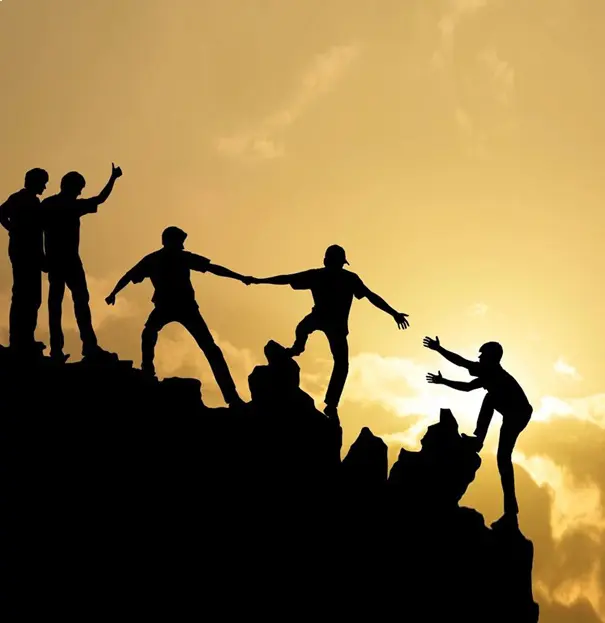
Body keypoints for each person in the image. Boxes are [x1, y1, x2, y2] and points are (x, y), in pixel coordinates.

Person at [250, 245, 409, 418]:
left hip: (326, 321)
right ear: (340, 263)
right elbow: (371, 296)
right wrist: (394, 313)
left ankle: (299, 351)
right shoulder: (343, 278)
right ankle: (330, 402)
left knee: (306, 332)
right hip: (331, 323)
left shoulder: (324, 276)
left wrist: (258, 280)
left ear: (326, 260)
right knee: (338, 361)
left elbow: (287, 279)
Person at [105, 226, 249, 407]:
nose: (181, 245)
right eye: (180, 242)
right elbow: (129, 276)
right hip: (171, 306)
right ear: (171, 241)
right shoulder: (165, 258)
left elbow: (212, 268)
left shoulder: (162, 258)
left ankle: (232, 397)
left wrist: (240, 277)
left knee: (207, 348)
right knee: (150, 334)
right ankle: (148, 371)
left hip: (184, 307)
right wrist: (113, 292)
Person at [423, 335, 533, 529]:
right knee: (489, 398)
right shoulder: (489, 375)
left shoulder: (492, 372)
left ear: (490, 358)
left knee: (503, 458)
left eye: (482, 356)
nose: (479, 358)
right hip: (514, 413)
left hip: (518, 415)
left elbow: (461, 362)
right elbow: (466, 387)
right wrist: (443, 381)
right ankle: (478, 439)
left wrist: (439, 349)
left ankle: (511, 513)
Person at [41, 164, 122, 363]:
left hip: (56, 260)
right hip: (67, 261)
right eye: (79, 188)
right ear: (71, 186)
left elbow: (36, 231)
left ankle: (59, 349)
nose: (80, 192)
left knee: (58, 304)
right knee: (75, 303)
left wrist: (42, 257)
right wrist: (113, 179)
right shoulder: (70, 205)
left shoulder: (48, 204)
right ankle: (86, 346)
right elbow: (100, 199)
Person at [0, 168, 49, 355]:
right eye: (43, 182)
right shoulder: (21, 199)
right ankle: (21, 340)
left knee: (28, 297)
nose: (45, 186)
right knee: (26, 296)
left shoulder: (24, 200)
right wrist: (12, 229)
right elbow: (1, 214)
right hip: (26, 253)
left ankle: (24, 338)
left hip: (28, 252)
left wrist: (11, 229)